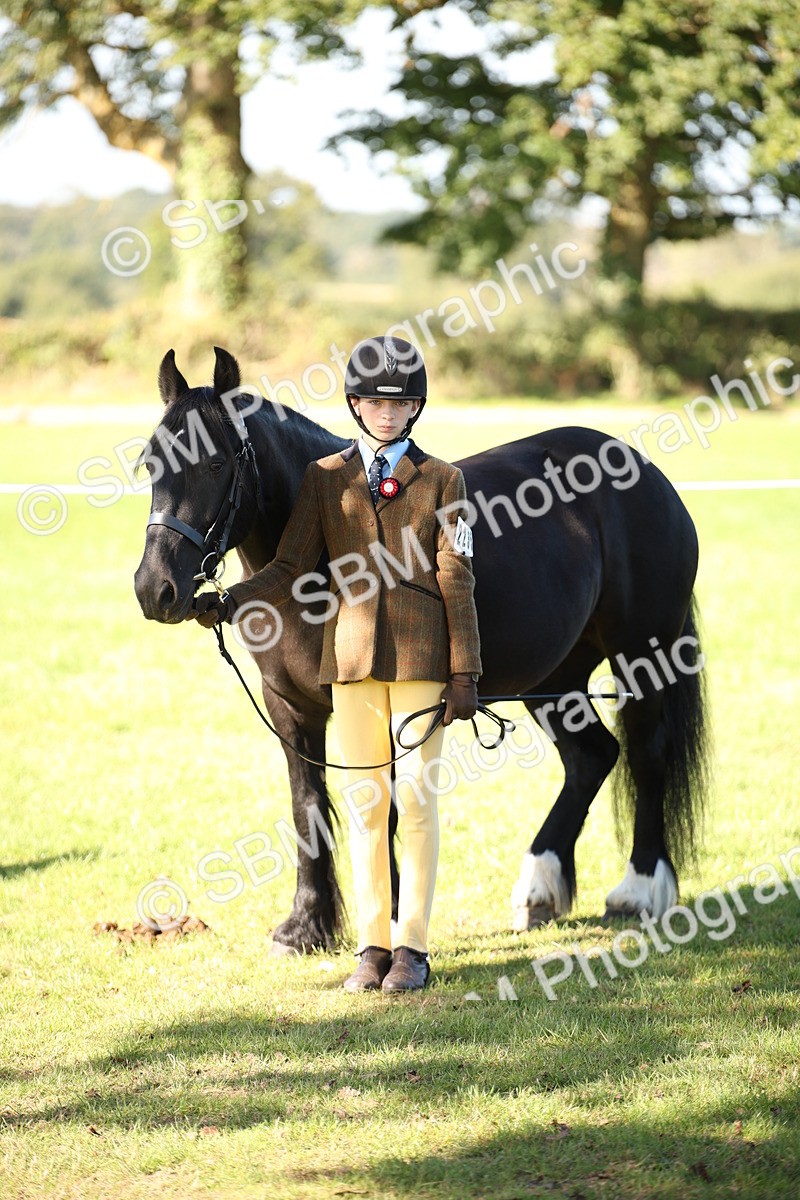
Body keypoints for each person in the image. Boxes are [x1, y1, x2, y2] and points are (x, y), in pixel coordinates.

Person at [190, 335, 481, 993]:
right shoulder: (324, 479)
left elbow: (456, 577)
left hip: (421, 661)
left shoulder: (445, 480)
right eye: (376, 401)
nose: (388, 412)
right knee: (365, 803)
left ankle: (414, 948)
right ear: (354, 403)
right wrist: (229, 601)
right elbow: (290, 566)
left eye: (401, 402)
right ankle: (372, 946)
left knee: (417, 801)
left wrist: (465, 673)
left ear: (416, 408)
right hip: (348, 662)